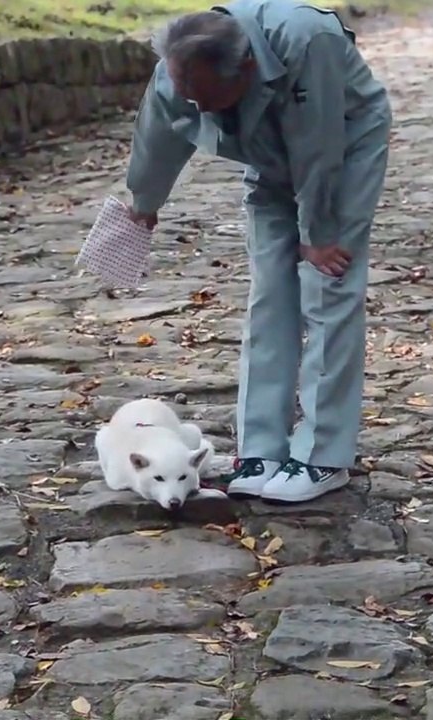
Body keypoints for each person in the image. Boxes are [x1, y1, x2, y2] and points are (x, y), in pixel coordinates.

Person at [122, 0, 391, 503]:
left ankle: (323, 457)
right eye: (190, 95)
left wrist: (318, 234)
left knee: (329, 287)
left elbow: (319, 148)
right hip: (265, 152)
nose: (198, 109)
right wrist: (145, 201)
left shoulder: (309, 42)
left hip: (345, 147)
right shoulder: (184, 65)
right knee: (270, 291)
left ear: (246, 68)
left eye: (209, 98)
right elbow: (160, 128)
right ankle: (262, 448)